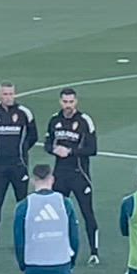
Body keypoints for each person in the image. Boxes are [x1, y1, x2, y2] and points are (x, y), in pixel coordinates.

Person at [43, 87, 101, 264]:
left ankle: (94, 252)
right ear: (60, 101)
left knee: (87, 212)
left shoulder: (85, 121)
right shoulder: (54, 120)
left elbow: (92, 149)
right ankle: (59, 248)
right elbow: (47, 144)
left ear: (76, 102)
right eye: (65, 102)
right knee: (58, 214)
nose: (68, 105)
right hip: (60, 175)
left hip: (79, 174)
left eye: (71, 102)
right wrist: (54, 149)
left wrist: (70, 151)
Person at [0, 82, 36, 252]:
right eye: (5, 94)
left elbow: (33, 136)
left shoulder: (24, 113)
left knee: (22, 204)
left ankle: (25, 240)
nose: (8, 97)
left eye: (11, 94)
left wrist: (21, 152)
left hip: (19, 165)